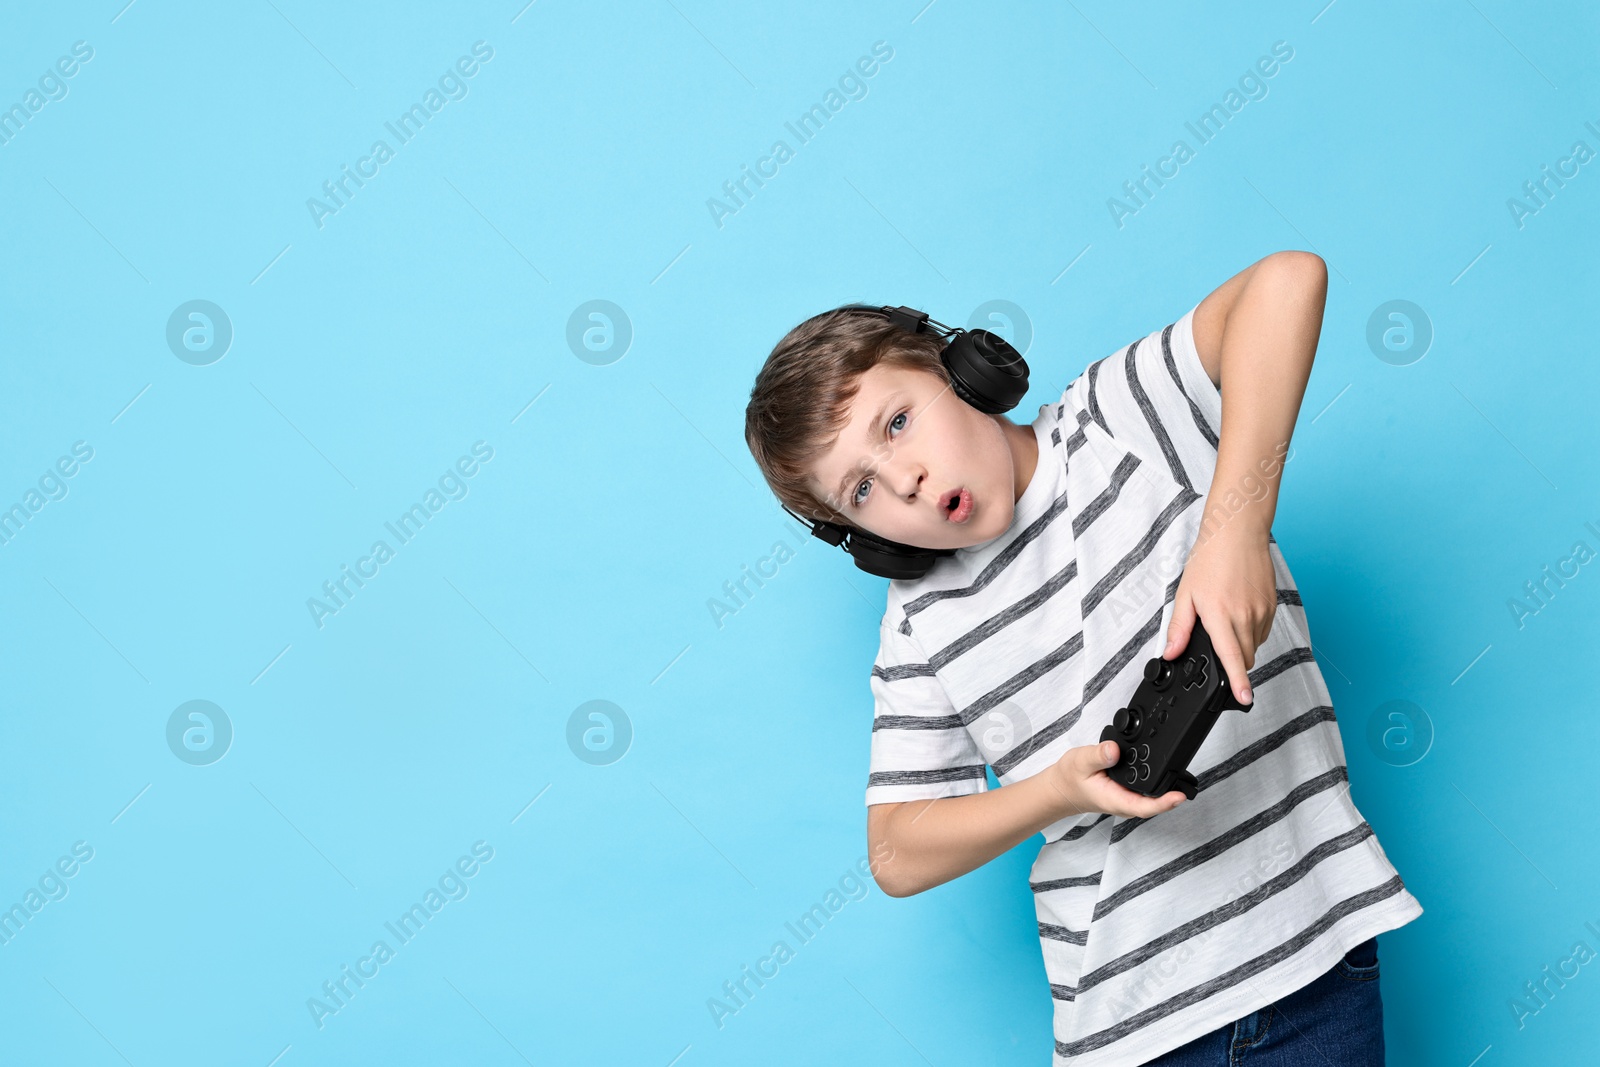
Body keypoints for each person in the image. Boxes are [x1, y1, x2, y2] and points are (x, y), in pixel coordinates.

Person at [741, 250, 1421, 1066]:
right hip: (1127, 1031)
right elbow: (896, 849)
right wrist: (1050, 792)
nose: (909, 480)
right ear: (868, 543)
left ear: (959, 369)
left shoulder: (1115, 422)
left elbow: (1288, 282)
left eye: (897, 421)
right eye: (862, 490)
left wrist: (1233, 526)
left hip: (1310, 963)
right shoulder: (918, 625)